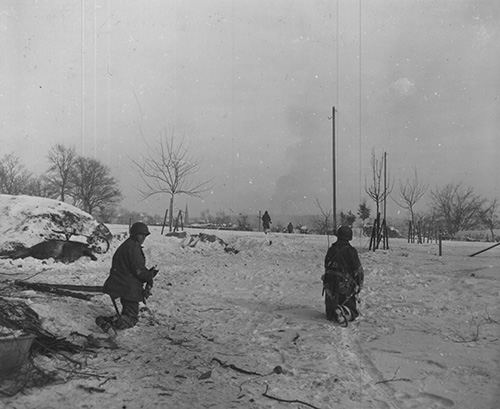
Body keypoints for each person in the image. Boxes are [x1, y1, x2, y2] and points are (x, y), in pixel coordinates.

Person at [96, 222, 159, 331]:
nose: (143, 238)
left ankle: (108, 321)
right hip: (128, 287)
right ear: (134, 234)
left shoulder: (128, 245)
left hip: (121, 284)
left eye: (145, 235)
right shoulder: (133, 248)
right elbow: (138, 271)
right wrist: (149, 275)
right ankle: (110, 325)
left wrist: (148, 274)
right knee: (132, 319)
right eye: (141, 235)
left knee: (128, 312)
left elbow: (134, 268)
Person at [322, 225, 364, 325]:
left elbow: (326, 265)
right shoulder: (351, 251)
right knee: (353, 312)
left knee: (330, 314)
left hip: (329, 285)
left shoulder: (331, 249)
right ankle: (344, 312)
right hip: (344, 286)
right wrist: (359, 284)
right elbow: (358, 270)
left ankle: (334, 311)